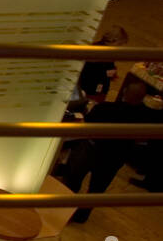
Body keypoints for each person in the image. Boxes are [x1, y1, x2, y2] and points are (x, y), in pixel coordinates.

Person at [60, 81, 161, 222]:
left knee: (73, 177)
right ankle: (82, 216)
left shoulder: (105, 108)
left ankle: (63, 207)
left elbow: (87, 124)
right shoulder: (146, 118)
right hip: (115, 158)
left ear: (125, 92)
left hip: (91, 150)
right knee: (97, 189)